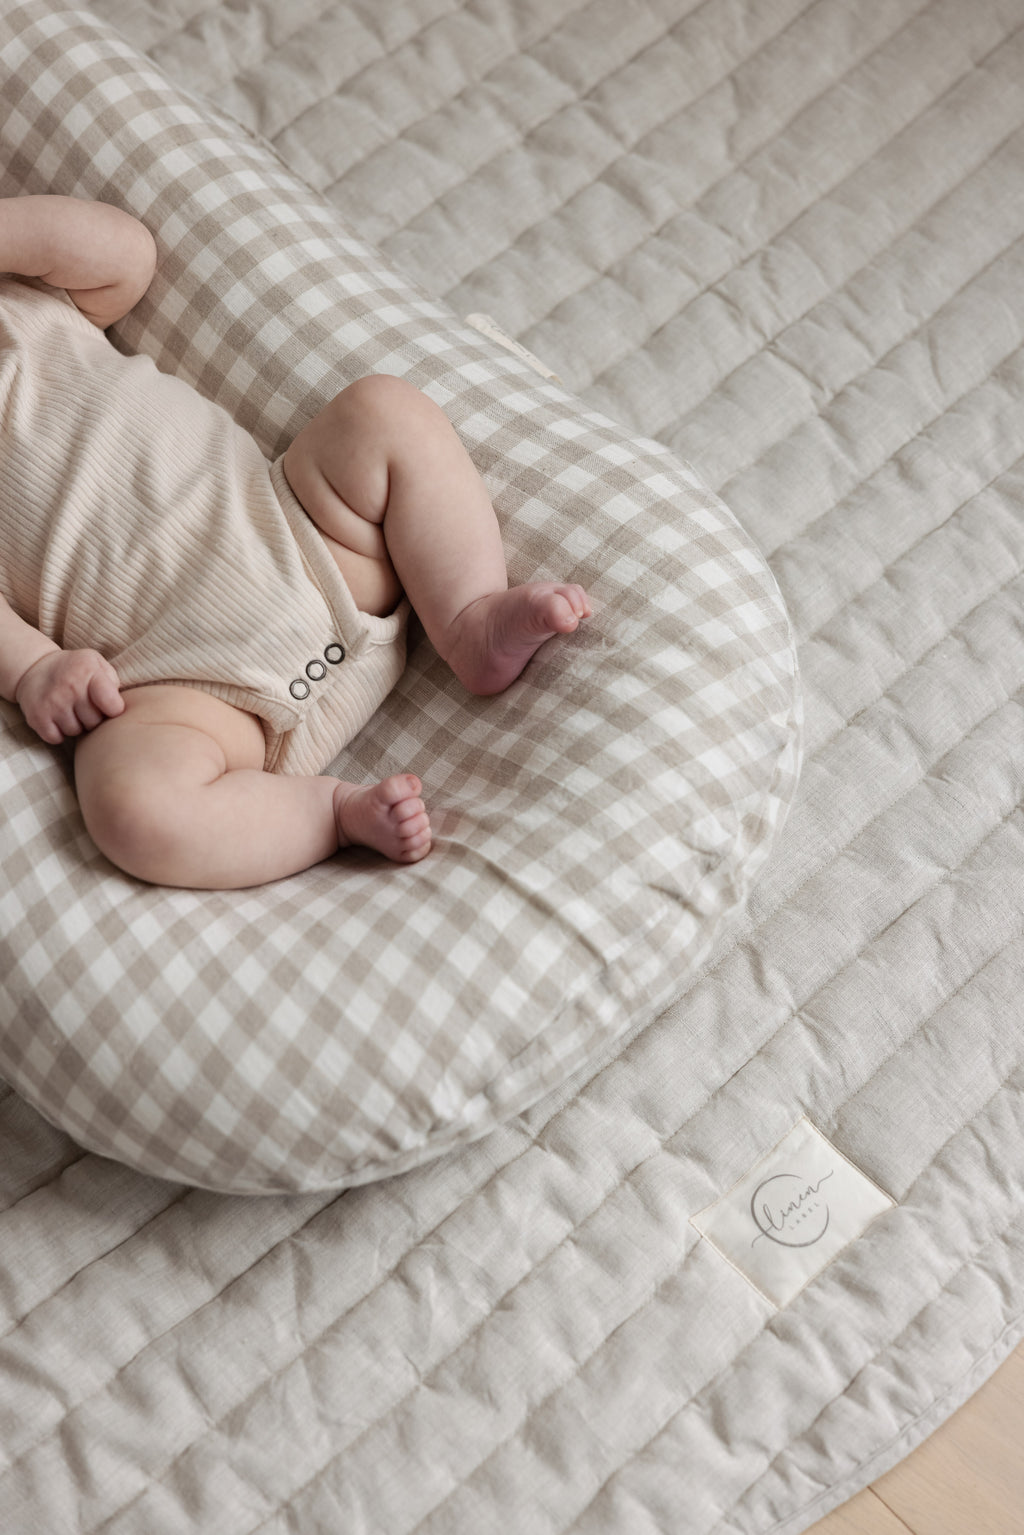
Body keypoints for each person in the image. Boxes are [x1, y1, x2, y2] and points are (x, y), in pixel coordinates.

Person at [0, 195, 590, 890]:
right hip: (191, 689)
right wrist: (34, 667)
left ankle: (469, 617)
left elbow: (126, 255)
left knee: (382, 412)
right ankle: (332, 814)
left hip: (310, 542)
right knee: (129, 805)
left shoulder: (24, 301)